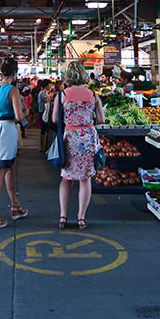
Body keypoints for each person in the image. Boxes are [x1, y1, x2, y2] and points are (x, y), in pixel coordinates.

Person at [51, 61, 105, 229]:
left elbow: (53, 119)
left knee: (66, 178)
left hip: (69, 138)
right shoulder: (93, 94)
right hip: (88, 137)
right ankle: (81, 217)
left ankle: (63, 216)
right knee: (85, 178)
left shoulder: (62, 95)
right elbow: (101, 119)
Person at [0, 58, 28, 228]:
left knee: (7, 168)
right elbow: (18, 116)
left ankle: (15, 206)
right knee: (0, 170)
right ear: (15, 73)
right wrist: (26, 111)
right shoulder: (12, 90)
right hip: (6, 130)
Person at [36, 79, 53, 152]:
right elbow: (47, 101)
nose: (51, 86)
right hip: (44, 112)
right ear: (47, 85)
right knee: (44, 129)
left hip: (43, 112)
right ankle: (42, 146)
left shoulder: (44, 92)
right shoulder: (43, 93)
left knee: (44, 129)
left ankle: (44, 146)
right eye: (50, 84)